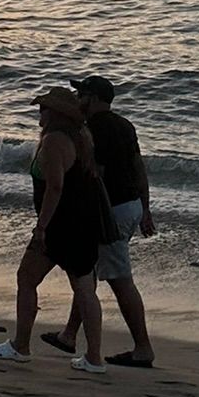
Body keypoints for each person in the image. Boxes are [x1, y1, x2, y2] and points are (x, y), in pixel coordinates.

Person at [0, 88, 107, 376]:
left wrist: (42, 226)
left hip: (60, 225)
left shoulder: (54, 141)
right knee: (84, 288)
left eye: (43, 109)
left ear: (54, 114)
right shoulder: (82, 138)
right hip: (84, 223)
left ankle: (21, 346)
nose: (39, 114)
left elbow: (55, 186)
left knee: (26, 278)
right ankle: (94, 358)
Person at [44, 75, 156, 368]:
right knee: (88, 270)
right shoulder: (125, 125)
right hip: (129, 205)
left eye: (80, 94)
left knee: (120, 280)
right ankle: (69, 335)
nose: (76, 99)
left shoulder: (92, 129)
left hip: (111, 210)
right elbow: (138, 168)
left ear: (92, 99)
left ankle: (143, 348)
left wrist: (81, 212)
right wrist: (145, 209)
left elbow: (96, 176)